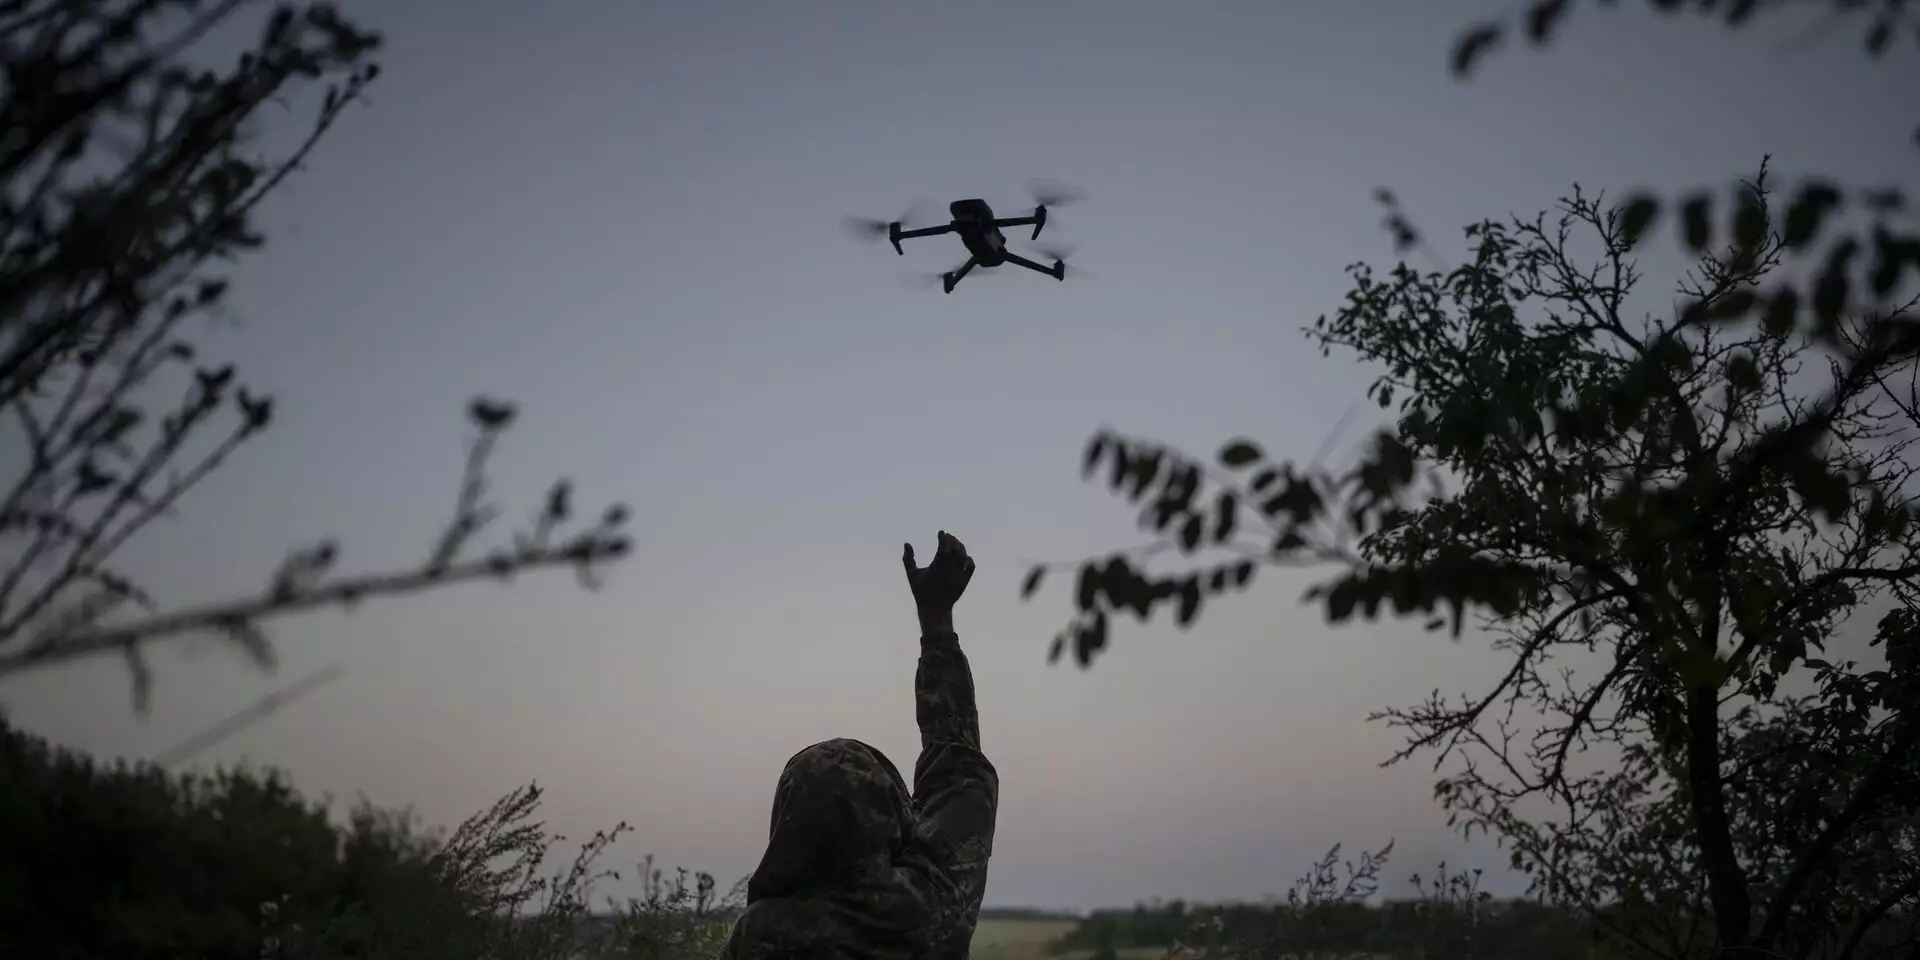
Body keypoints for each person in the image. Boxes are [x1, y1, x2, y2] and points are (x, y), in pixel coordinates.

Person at [720, 531, 999, 960]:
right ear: (892, 814)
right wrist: (936, 621)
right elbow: (959, 773)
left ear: (791, 822)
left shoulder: (760, 936)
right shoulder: (929, 909)